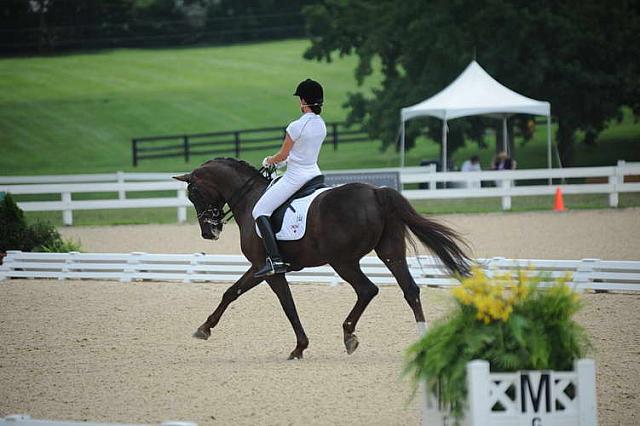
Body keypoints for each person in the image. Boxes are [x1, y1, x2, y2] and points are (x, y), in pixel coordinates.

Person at [251, 78, 327, 278]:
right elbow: (302, 153)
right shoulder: (321, 124)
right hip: (315, 174)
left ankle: (275, 260)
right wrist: (285, 161)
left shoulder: (296, 126)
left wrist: (270, 160)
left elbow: (283, 155)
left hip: (296, 177)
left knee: (260, 210)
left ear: (303, 101)